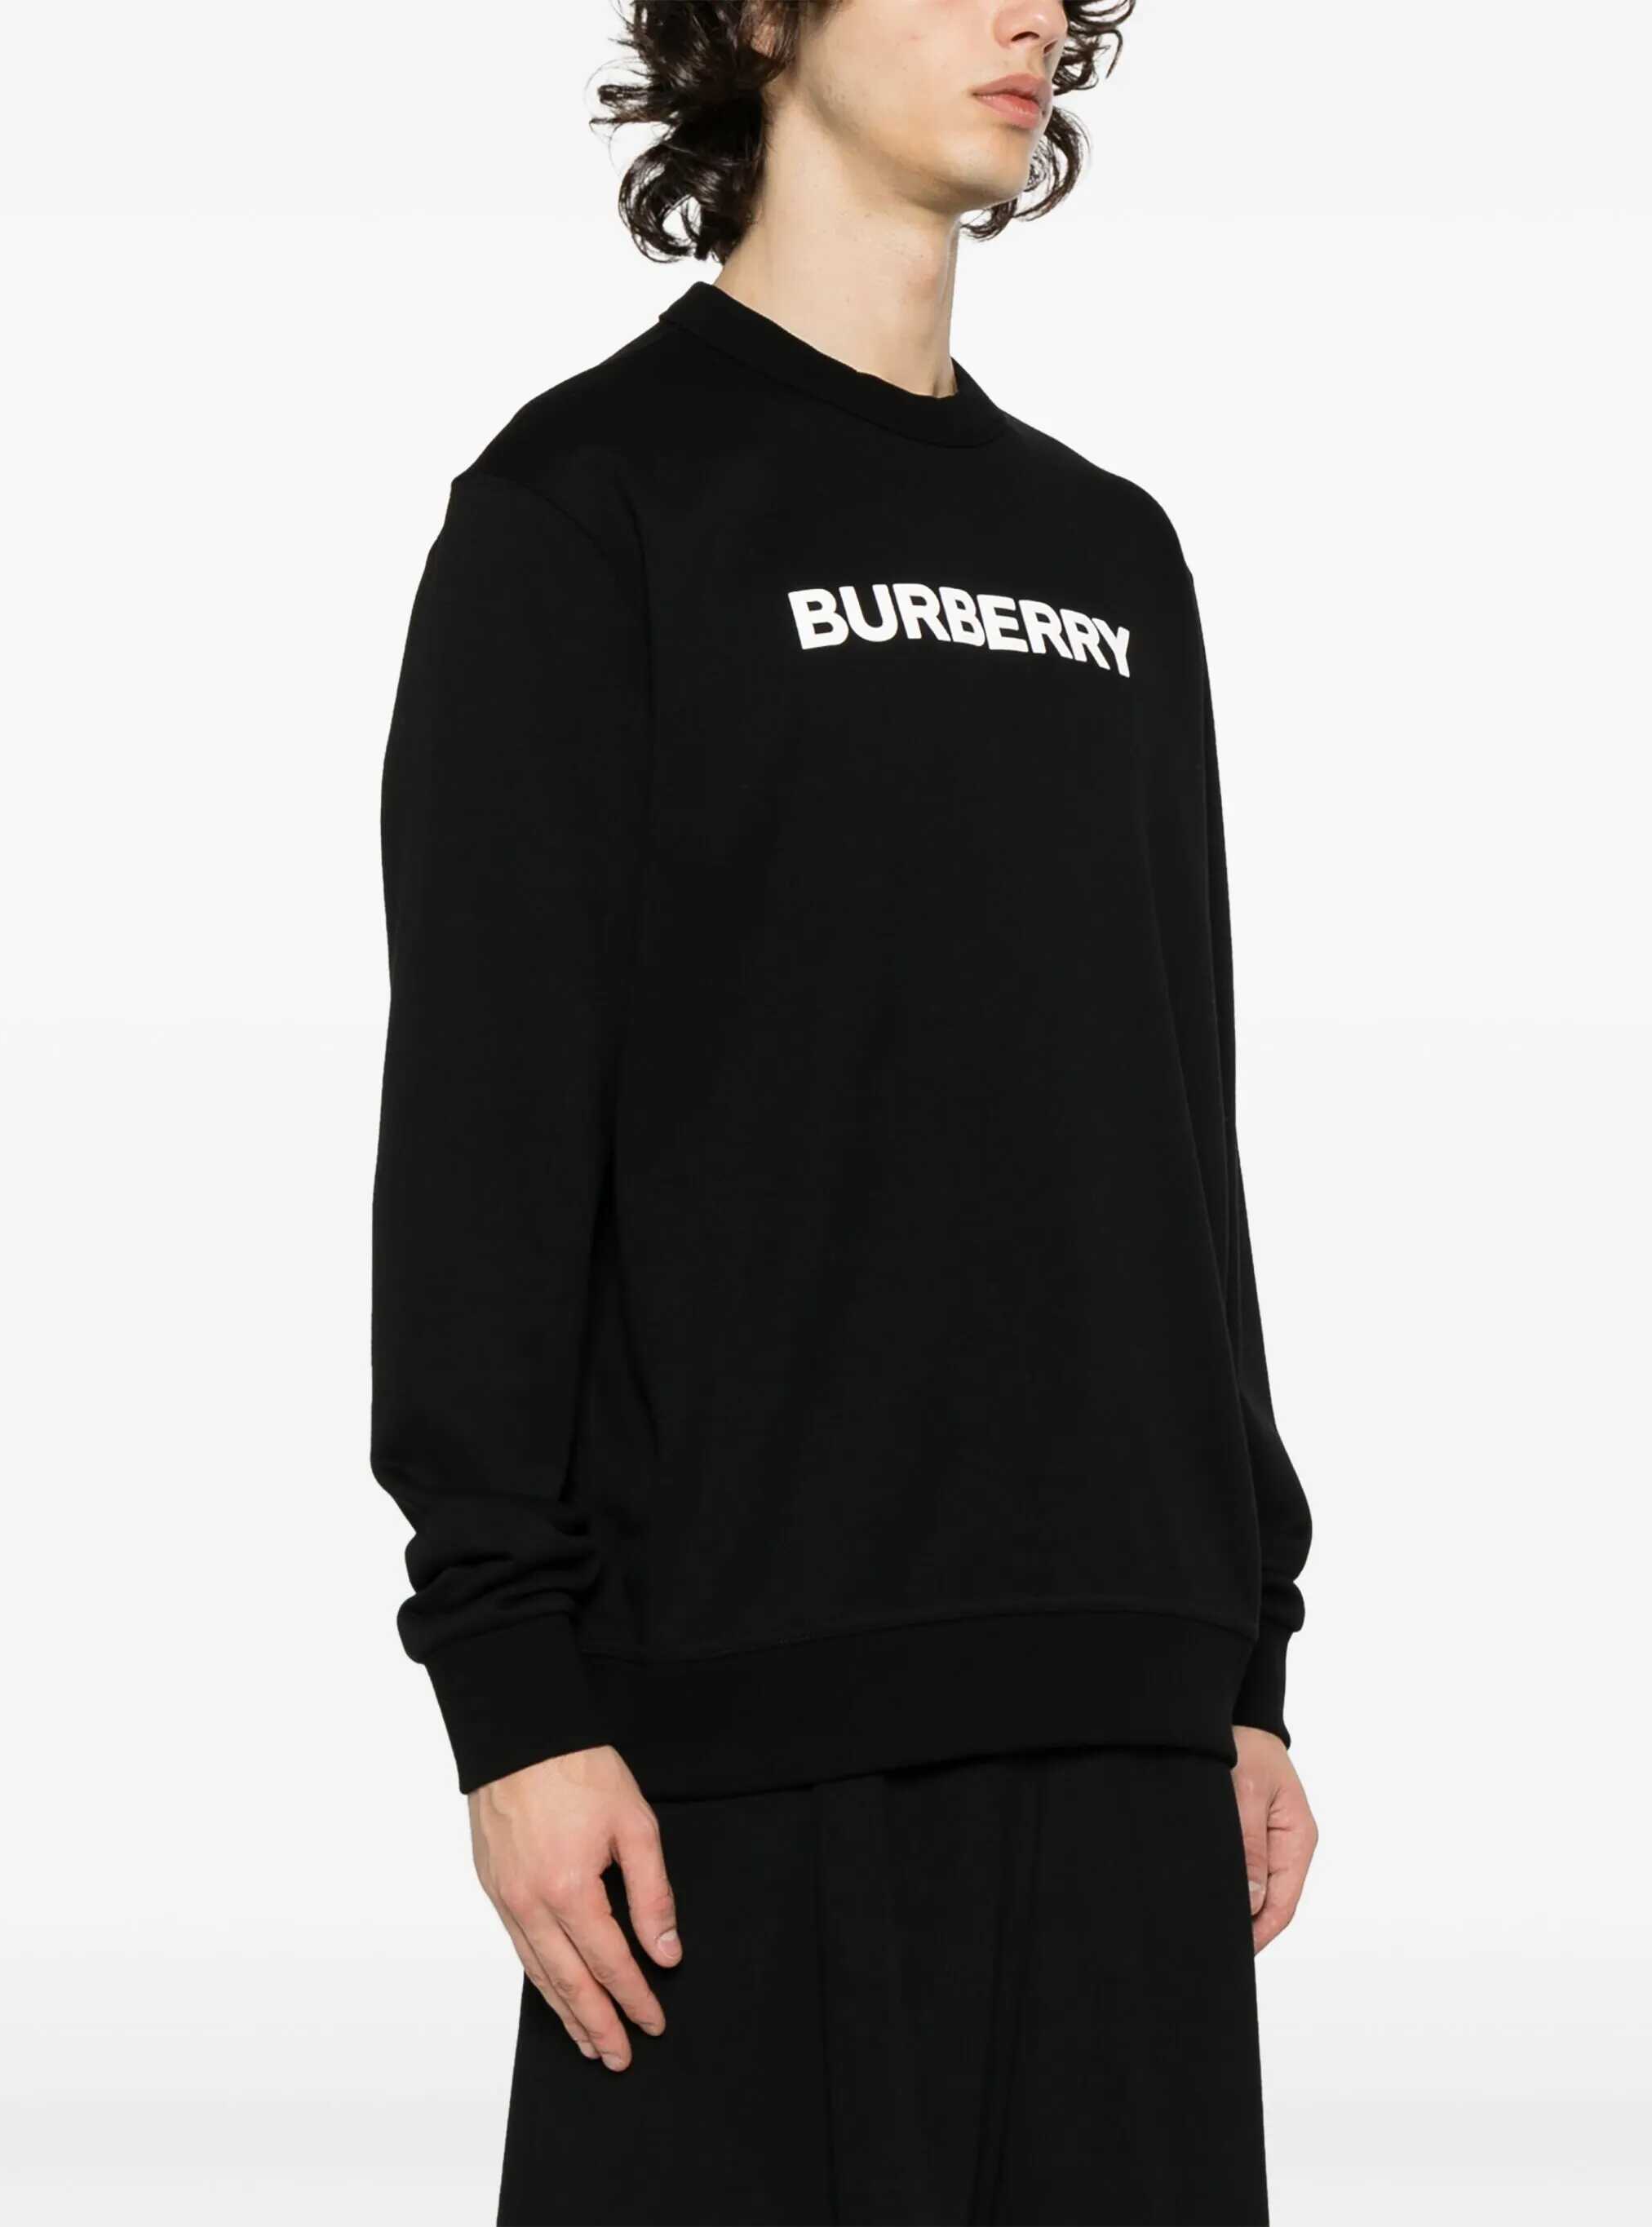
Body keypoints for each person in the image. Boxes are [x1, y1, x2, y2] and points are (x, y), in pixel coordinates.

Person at [370, 3, 1318, 2220]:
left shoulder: (1115, 557)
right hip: (727, 1752)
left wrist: (1246, 1653)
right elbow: (488, 1136)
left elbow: (1178, 1125)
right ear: (759, 17)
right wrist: (513, 1692)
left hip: (1127, 1731)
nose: (1033, 15)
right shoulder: (590, 507)